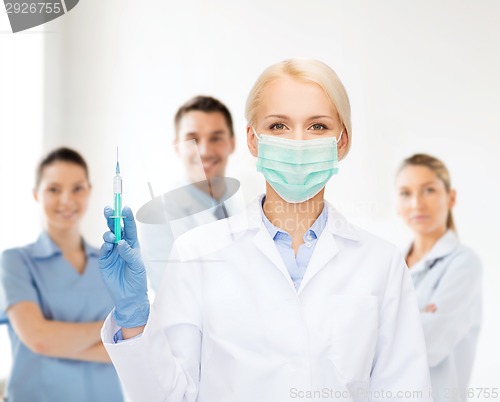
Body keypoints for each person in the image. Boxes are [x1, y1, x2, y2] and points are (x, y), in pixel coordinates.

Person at [99, 59, 432, 402]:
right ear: (253, 140)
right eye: (278, 126)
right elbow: (169, 396)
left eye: (317, 126)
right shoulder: (195, 252)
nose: (298, 143)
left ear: (342, 141)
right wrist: (134, 319)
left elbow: (406, 393)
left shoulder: (381, 263)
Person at [0, 148, 123, 402]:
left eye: (77, 188)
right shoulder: (15, 262)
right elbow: (39, 339)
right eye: (54, 189)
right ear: (36, 194)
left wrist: (55, 344)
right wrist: (110, 331)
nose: (66, 200)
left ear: (89, 190)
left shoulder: (111, 262)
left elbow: (128, 349)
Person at [396, 153, 482, 402]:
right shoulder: (389, 265)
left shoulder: (464, 264)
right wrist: (416, 316)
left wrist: (377, 317)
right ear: (397, 205)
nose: (416, 204)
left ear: (451, 197)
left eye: (429, 190)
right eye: (405, 193)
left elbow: (428, 343)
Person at [136, 95, 242, 291]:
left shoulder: (251, 204)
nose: (204, 150)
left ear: (232, 143)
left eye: (216, 138)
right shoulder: (158, 215)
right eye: (192, 139)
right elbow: (173, 294)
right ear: (177, 147)